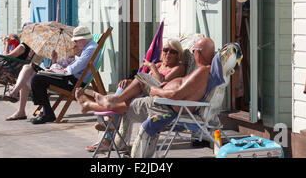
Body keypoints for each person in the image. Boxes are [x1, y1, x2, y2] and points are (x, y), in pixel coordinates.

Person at [76, 37, 215, 149]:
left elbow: (174, 92)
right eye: (166, 50)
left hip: (164, 102)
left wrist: (155, 81)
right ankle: (102, 111)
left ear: (198, 52)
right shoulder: (200, 71)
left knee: (135, 87)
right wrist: (130, 82)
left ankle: (100, 111)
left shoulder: (189, 69)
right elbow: (176, 89)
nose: (168, 53)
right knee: (126, 87)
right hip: (159, 97)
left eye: (173, 51)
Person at [30, 25, 98, 124]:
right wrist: (57, 70)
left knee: (37, 79)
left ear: (82, 39)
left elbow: (75, 68)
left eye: (76, 41)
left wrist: (59, 71)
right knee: (39, 76)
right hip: (73, 78)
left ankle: (47, 113)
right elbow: (76, 67)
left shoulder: (90, 49)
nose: (75, 43)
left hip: (74, 82)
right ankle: (46, 112)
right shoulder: (90, 47)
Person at [3, 47, 81, 121]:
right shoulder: (61, 54)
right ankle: (18, 102)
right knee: (27, 69)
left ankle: (15, 96)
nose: (73, 48)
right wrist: (54, 60)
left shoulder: (76, 59)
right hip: (51, 76)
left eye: (75, 46)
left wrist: (53, 70)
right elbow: (54, 68)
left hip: (60, 81)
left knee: (27, 74)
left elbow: (66, 73)